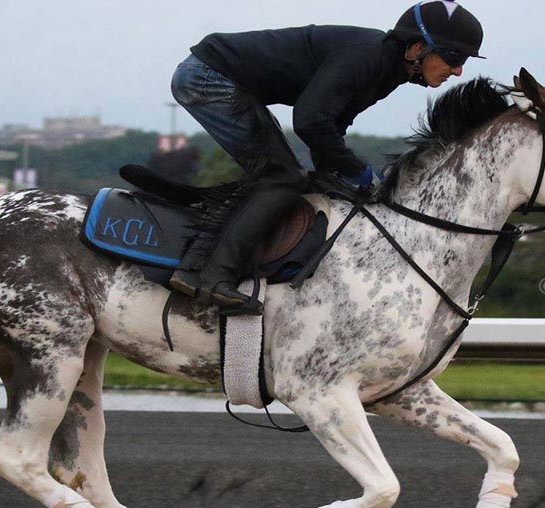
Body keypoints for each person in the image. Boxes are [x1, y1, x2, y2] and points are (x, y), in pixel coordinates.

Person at [167, 1, 485, 314]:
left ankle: (205, 268)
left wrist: (336, 180)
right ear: (416, 48)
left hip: (221, 78)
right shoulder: (366, 58)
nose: (457, 71)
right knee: (283, 177)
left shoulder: (389, 71)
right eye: (453, 57)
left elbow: (330, 129)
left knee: (293, 179)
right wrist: (359, 172)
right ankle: (210, 276)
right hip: (207, 75)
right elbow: (310, 121)